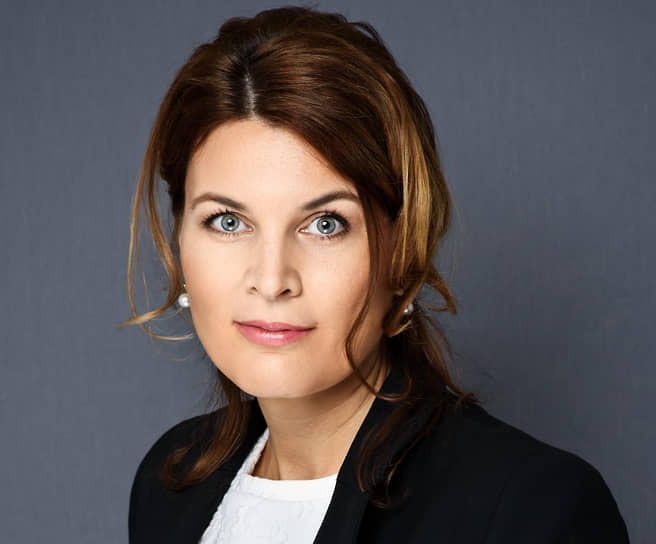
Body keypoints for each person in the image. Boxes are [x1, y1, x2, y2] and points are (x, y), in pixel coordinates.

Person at [123, 6, 628, 543]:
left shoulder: (531, 508)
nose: (271, 281)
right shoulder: (170, 483)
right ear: (179, 239)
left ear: (403, 249)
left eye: (325, 224)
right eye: (228, 221)